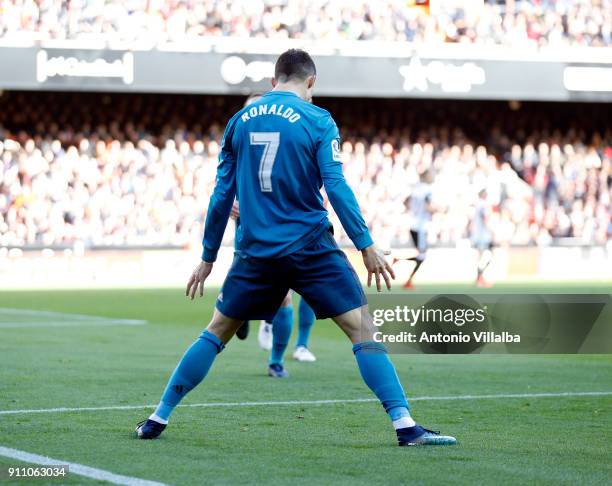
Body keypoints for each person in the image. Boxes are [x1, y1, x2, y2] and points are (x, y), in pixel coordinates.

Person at [136, 49, 456, 446]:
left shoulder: (238, 122)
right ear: (310, 82)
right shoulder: (318, 119)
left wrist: (207, 257)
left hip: (256, 252)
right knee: (363, 331)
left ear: (273, 81)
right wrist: (365, 243)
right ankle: (405, 426)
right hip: (310, 248)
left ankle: (157, 417)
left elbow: (222, 195)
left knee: (216, 332)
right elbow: (335, 186)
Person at [393, 170, 433, 289]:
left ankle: (408, 278)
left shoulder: (415, 189)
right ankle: (406, 276)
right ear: (427, 176)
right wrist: (441, 210)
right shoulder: (427, 190)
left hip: (413, 224)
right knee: (422, 256)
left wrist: (413, 211)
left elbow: (406, 201)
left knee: (422, 256)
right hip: (421, 227)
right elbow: (428, 207)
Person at [472, 188, 494, 288]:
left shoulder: (477, 204)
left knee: (483, 257)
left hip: (478, 234)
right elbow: (485, 218)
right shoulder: (483, 205)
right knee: (486, 257)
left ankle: (479, 279)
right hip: (483, 235)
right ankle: (479, 279)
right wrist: (492, 231)